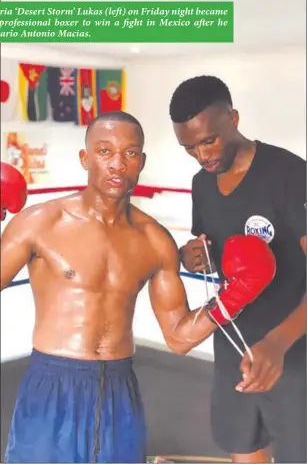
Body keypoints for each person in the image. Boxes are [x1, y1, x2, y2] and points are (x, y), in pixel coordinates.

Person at [1, 111, 276, 464]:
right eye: (104, 151)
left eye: (130, 153)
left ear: (141, 161)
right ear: (85, 158)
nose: (118, 164)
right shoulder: (39, 224)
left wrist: (232, 297)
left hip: (119, 386)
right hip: (52, 382)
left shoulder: (154, 240)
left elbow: (178, 337)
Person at [169, 75, 307, 464]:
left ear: (233, 118)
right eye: (189, 147)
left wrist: (278, 344)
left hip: (294, 352)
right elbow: (216, 255)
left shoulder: (291, 175)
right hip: (232, 347)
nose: (202, 156)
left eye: (208, 140)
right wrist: (191, 257)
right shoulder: (202, 184)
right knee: (244, 448)